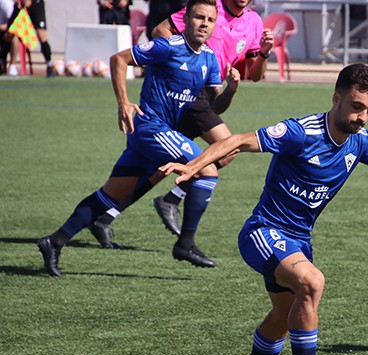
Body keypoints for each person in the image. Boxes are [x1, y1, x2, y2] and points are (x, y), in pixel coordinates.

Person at [158, 63, 368, 355]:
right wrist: (194, 165)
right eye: (357, 107)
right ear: (336, 98)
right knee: (312, 283)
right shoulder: (302, 132)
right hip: (263, 232)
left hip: (299, 241)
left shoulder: (360, 142)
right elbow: (238, 140)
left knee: (286, 314)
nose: (363, 118)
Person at [37, 0, 239, 277]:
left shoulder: (209, 58)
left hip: (159, 134)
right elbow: (118, 59)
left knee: (109, 196)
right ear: (186, 20)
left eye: (210, 19)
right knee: (208, 169)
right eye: (198, 17)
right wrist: (124, 102)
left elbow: (216, 107)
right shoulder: (167, 46)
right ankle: (185, 243)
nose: (204, 23)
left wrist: (231, 89)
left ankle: (54, 241)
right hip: (150, 128)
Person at [90, 0, 274, 269]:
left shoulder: (254, 22)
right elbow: (159, 31)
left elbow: (255, 75)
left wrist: (265, 54)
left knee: (162, 165)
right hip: (188, 92)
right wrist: (179, 67)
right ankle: (170, 204)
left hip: (208, 93)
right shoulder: (209, 8)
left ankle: (108, 215)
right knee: (226, 148)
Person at [0, 0, 54, 76]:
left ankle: (49, 65)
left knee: (41, 35)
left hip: (35, 4)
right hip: (20, 5)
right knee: (9, 33)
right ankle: (1, 62)